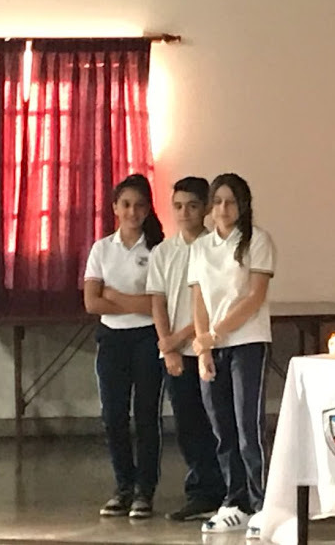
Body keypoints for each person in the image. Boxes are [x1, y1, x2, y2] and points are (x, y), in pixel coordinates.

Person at [188, 173, 276, 539]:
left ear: (242, 205)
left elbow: (254, 297)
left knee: (247, 428)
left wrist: (217, 333)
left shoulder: (258, 240)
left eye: (231, 201)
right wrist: (204, 345)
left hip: (248, 343)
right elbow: (199, 300)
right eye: (218, 201)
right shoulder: (201, 247)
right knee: (222, 429)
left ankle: (262, 503)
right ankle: (235, 501)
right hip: (213, 347)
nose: (223, 208)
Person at [145, 177, 227, 522]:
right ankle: (200, 492)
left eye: (192, 206)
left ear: (206, 208)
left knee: (218, 423)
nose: (185, 213)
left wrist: (177, 339)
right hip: (177, 354)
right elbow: (158, 302)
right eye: (178, 206)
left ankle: (229, 490)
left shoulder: (216, 248)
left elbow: (215, 305)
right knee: (188, 424)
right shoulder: (163, 252)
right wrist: (168, 348)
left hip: (209, 347)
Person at [83, 174, 165, 519]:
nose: (132, 211)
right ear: (115, 207)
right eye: (126, 204)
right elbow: (92, 302)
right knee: (113, 415)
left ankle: (145, 490)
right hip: (112, 339)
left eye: (139, 205)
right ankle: (123, 486)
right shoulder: (102, 248)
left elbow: (158, 305)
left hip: (148, 338)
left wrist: (114, 295)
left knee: (146, 415)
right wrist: (136, 302)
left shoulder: (158, 250)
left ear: (148, 209)